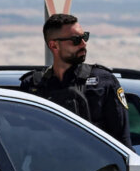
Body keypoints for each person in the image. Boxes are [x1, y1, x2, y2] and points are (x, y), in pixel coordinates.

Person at [19, 13, 132, 148]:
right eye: (76, 40)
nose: (83, 44)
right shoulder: (33, 85)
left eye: (85, 37)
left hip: (93, 168)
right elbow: (23, 139)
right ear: (54, 46)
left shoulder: (103, 82)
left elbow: (123, 140)